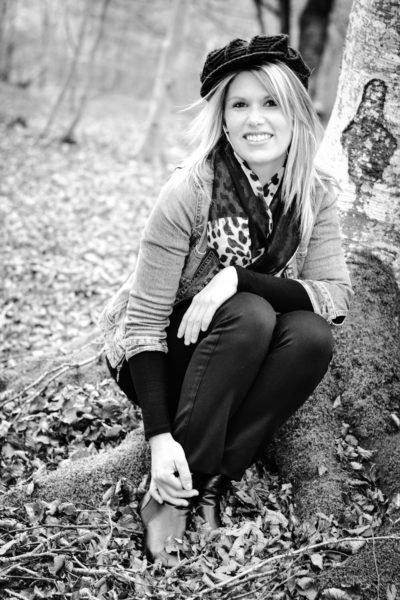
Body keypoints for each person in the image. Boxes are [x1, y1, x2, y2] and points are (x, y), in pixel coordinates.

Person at [100, 34, 353, 566]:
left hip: (241, 350)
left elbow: (334, 295)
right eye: (240, 104)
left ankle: (215, 479)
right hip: (159, 356)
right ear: (223, 116)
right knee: (250, 313)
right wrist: (159, 438)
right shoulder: (190, 192)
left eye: (270, 103)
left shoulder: (314, 195)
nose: (255, 119)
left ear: (296, 115)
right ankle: (168, 495)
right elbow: (142, 325)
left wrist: (240, 277)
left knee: (310, 334)